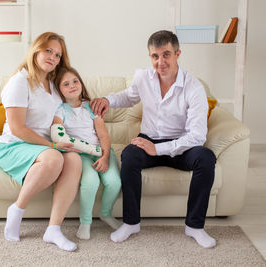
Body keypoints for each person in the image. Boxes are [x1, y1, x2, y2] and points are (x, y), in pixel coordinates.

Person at [91, 30, 217, 248]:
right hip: (149, 139)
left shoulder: (193, 87)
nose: (160, 62)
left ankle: (195, 227)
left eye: (166, 54)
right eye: (155, 56)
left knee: (206, 158)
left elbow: (197, 136)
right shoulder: (143, 77)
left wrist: (157, 150)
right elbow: (128, 97)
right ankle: (131, 223)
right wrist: (107, 100)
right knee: (129, 155)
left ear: (178, 54)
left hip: (182, 146)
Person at [0, 32, 82, 252]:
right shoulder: (20, 81)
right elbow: (17, 128)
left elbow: (75, 100)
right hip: (13, 145)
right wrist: (52, 147)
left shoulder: (52, 83)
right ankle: (16, 210)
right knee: (54, 158)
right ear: (36, 50)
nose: (53, 57)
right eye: (48, 51)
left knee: (74, 160)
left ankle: (53, 229)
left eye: (58, 55)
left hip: (39, 146)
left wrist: (98, 102)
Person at [51, 67, 122, 240]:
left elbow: (103, 134)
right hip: (80, 155)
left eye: (75, 81)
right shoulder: (59, 110)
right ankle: (85, 222)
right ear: (59, 89)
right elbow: (57, 133)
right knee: (90, 182)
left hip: (101, 151)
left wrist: (105, 156)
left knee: (114, 182)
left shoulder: (91, 106)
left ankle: (105, 214)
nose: (73, 86)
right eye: (66, 84)